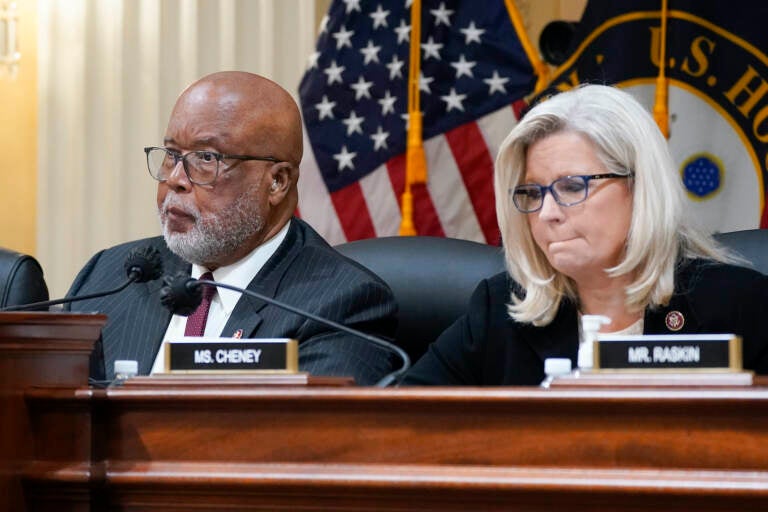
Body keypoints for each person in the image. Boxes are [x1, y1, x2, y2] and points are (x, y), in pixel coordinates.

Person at [403, 84, 768, 385]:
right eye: (532, 193)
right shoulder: (498, 311)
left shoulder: (740, 307)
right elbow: (404, 425)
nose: (546, 214)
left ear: (639, 187)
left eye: (573, 187)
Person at [67, 71, 397, 385]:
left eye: (206, 158)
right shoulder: (109, 276)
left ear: (277, 182)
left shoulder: (342, 304)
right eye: (171, 153)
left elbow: (304, 438)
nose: (175, 180)